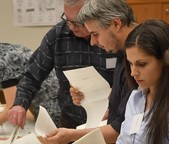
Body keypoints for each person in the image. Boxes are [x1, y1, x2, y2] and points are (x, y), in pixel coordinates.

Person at [7, 0, 118, 130]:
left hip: (110, 121)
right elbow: (32, 75)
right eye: (67, 19)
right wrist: (20, 104)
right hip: (72, 120)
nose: (71, 27)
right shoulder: (58, 35)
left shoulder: (112, 36)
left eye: (78, 22)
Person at [44, 0, 137, 144]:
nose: (93, 42)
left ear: (116, 24)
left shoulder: (139, 55)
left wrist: (71, 135)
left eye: (95, 34)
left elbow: (120, 128)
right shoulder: (123, 52)